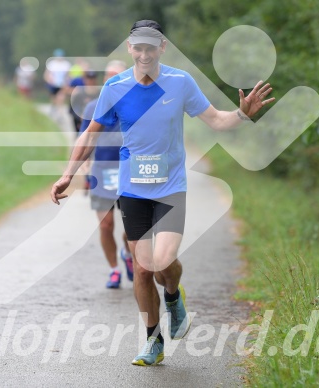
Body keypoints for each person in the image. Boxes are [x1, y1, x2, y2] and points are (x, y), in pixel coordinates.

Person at [50, 20, 275, 366]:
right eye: (137, 47)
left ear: (161, 48)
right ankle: (153, 340)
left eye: (150, 47)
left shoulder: (180, 83)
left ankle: (172, 295)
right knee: (142, 269)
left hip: (171, 188)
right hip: (132, 190)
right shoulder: (115, 87)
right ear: (129, 48)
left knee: (162, 264)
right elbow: (90, 134)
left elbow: (216, 120)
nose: (143, 54)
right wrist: (68, 174)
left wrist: (242, 115)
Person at [79, 60, 133, 289]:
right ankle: (113, 270)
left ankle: (127, 253)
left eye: (118, 76)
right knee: (105, 225)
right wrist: (83, 170)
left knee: (132, 229)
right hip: (101, 171)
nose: (114, 81)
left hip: (129, 172)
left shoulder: (135, 106)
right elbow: (85, 139)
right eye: (110, 76)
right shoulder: (93, 108)